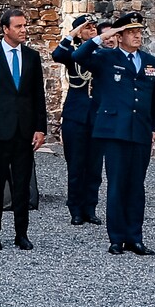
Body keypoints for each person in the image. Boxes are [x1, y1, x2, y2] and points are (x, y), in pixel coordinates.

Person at [78, 14, 155, 254]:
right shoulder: (107, 57)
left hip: (141, 130)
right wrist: (101, 37)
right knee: (117, 185)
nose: (137, 35)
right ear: (120, 35)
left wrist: (154, 126)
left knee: (137, 186)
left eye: (139, 31)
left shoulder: (149, 61)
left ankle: (134, 236)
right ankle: (116, 237)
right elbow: (78, 56)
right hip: (115, 131)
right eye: (131, 31)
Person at [0, 9, 47, 250]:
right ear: (5, 29)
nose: (24, 30)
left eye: (25, 25)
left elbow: (38, 95)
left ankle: (21, 233)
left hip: (24, 132)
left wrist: (40, 128)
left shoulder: (32, 57)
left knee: (22, 185)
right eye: (19, 26)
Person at [51, 14, 102, 224]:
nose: (92, 31)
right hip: (75, 115)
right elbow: (57, 54)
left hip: (97, 116)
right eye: (87, 27)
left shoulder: (101, 54)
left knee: (94, 166)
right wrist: (73, 33)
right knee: (76, 164)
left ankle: (90, 208)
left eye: (94, 27)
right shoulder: (72, 54)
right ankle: (75, 209)